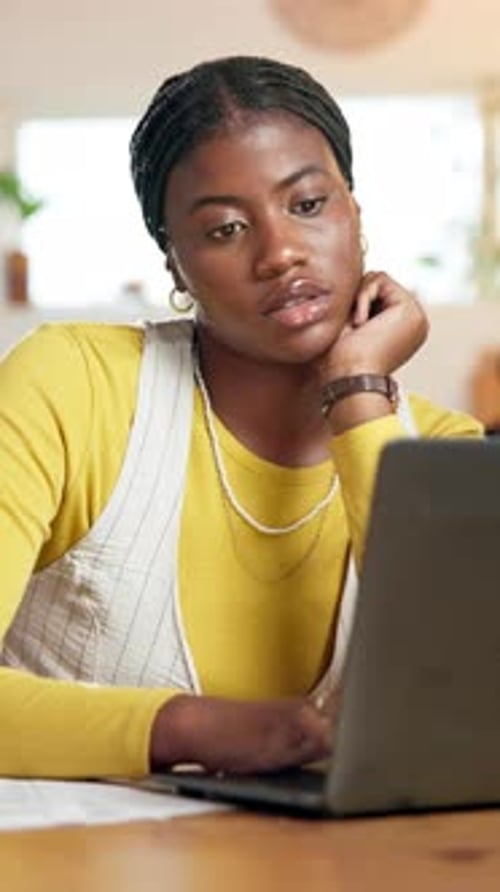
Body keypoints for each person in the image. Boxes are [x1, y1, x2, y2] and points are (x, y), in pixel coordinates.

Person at [0, 55, 482, 780]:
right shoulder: (74, 388)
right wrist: (191, 728)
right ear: (174, 263)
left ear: (355, 214)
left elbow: (466, 716)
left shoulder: (440, 452)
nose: (280, 253)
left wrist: (358, 390)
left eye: (308, 204)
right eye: (225, 229)